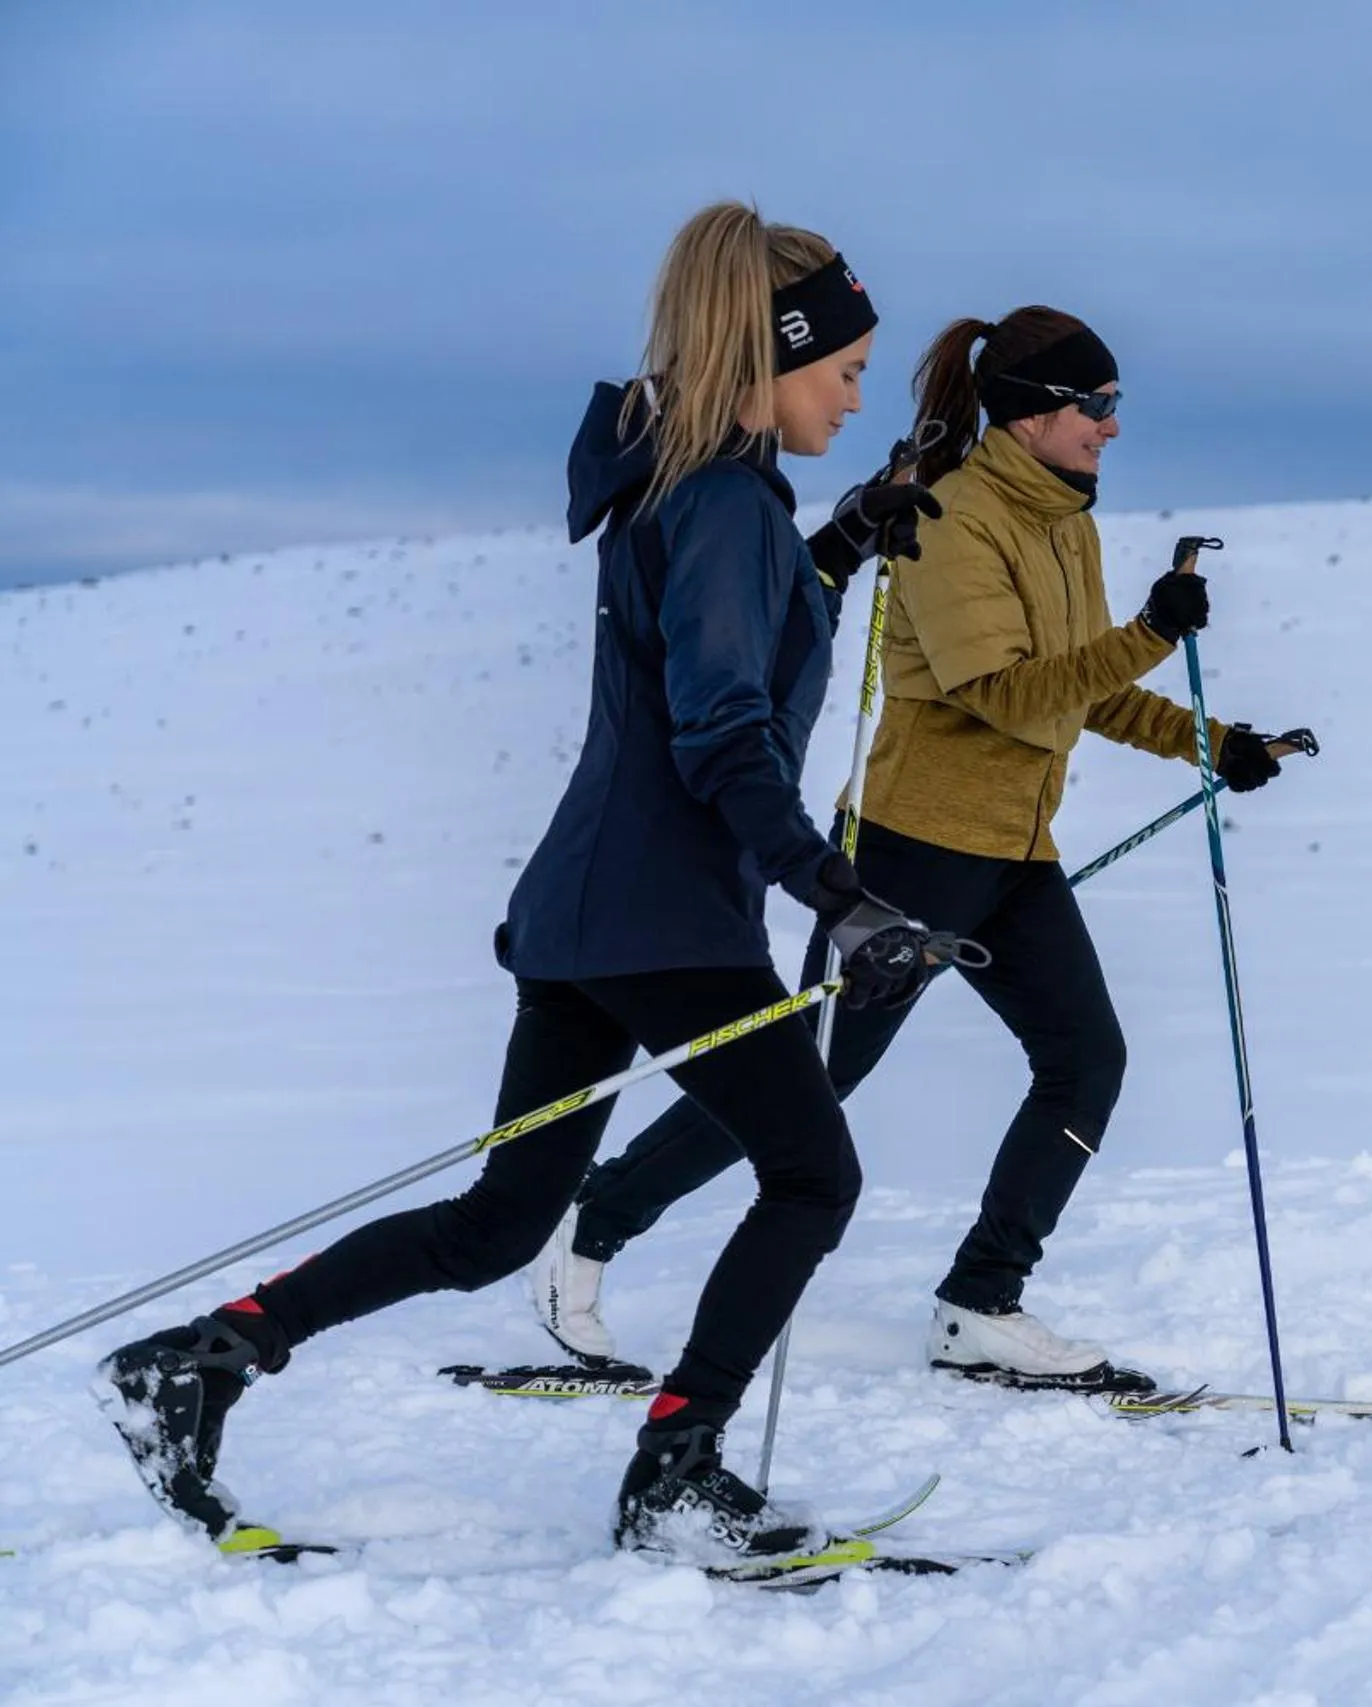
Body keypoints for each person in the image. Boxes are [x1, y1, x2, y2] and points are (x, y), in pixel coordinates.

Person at [97, 202, 947, 1566]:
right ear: (772, 357)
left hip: (586, 913)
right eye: (844, 369)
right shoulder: (724, 501)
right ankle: (676, 1466)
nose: (857, 395)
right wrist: (838, 894)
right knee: (811, 1173)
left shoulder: (688, 485)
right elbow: (726, 727)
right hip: (667, 918)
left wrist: (841, 543)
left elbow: (728, 643)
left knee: (501, 1221)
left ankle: (203, 1356)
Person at [537, 305, 1312, 1393]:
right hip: (908, 850)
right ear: (1035, 413)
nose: (1111, 426)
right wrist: (1149, 632)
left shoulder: (1065, 521)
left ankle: (981, 1302)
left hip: (1012, 849)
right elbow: (1000, 694)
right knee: (807, 1085)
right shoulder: (955, 516)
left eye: (1116, 405)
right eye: (1095, 405)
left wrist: (1213, 743)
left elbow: (1081, 688)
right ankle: (592, 1224)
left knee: (1086, 1060)